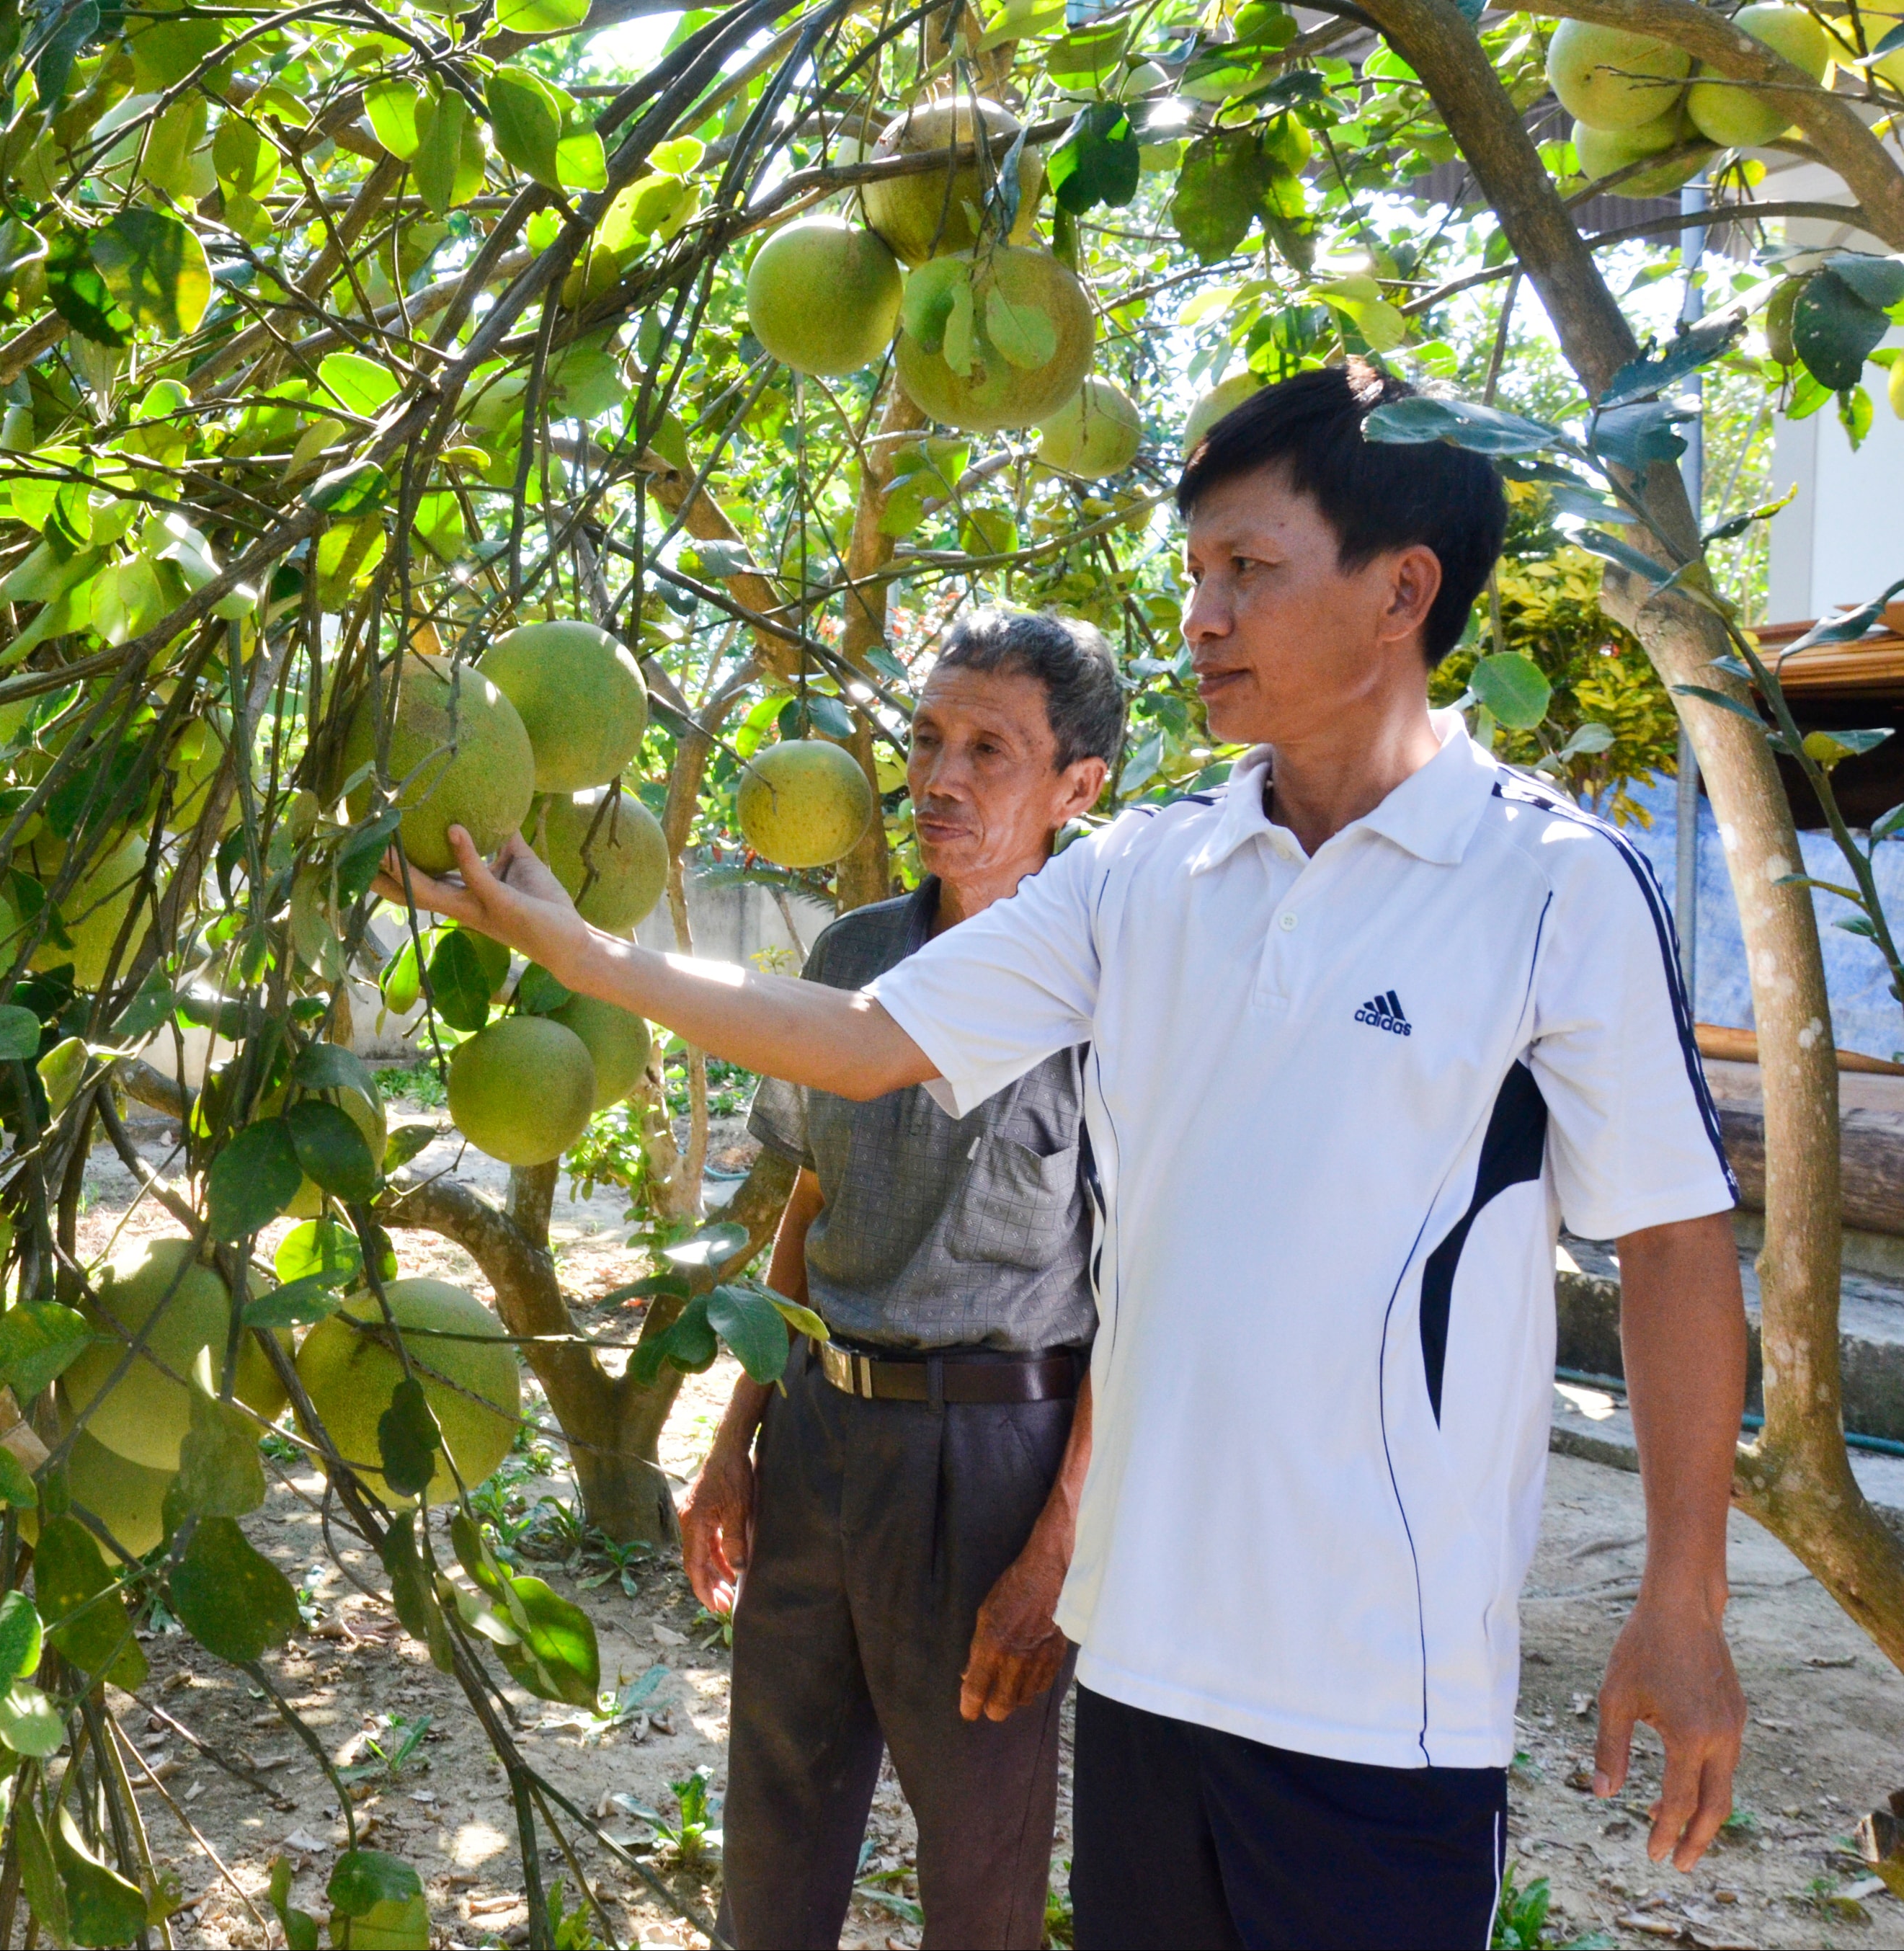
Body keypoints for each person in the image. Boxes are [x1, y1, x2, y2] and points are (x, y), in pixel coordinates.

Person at [383, 360, 1748, 1949]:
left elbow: (1671, 1243)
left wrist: (1683, 1594)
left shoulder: (1546, 885)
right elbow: (858, 1036)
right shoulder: (1150, 871)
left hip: (1380, 1684)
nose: (1203, 620)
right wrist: (572, 950)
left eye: (1249, 571)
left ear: (1402, 591)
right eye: (1193, 577)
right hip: (1151, 1668)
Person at [678, 608, 1119, 1950]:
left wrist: (1057, 1549)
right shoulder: (853, 958)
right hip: (821, 1429)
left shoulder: (1119, 978)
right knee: (774, 1838)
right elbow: (812, 1196)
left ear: (1078, 788)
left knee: (981, 1877)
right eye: (928, 738)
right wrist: (736, 1438)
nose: (939, 777)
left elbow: (1150, 1287)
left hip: (996, 1461)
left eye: (991, 749)